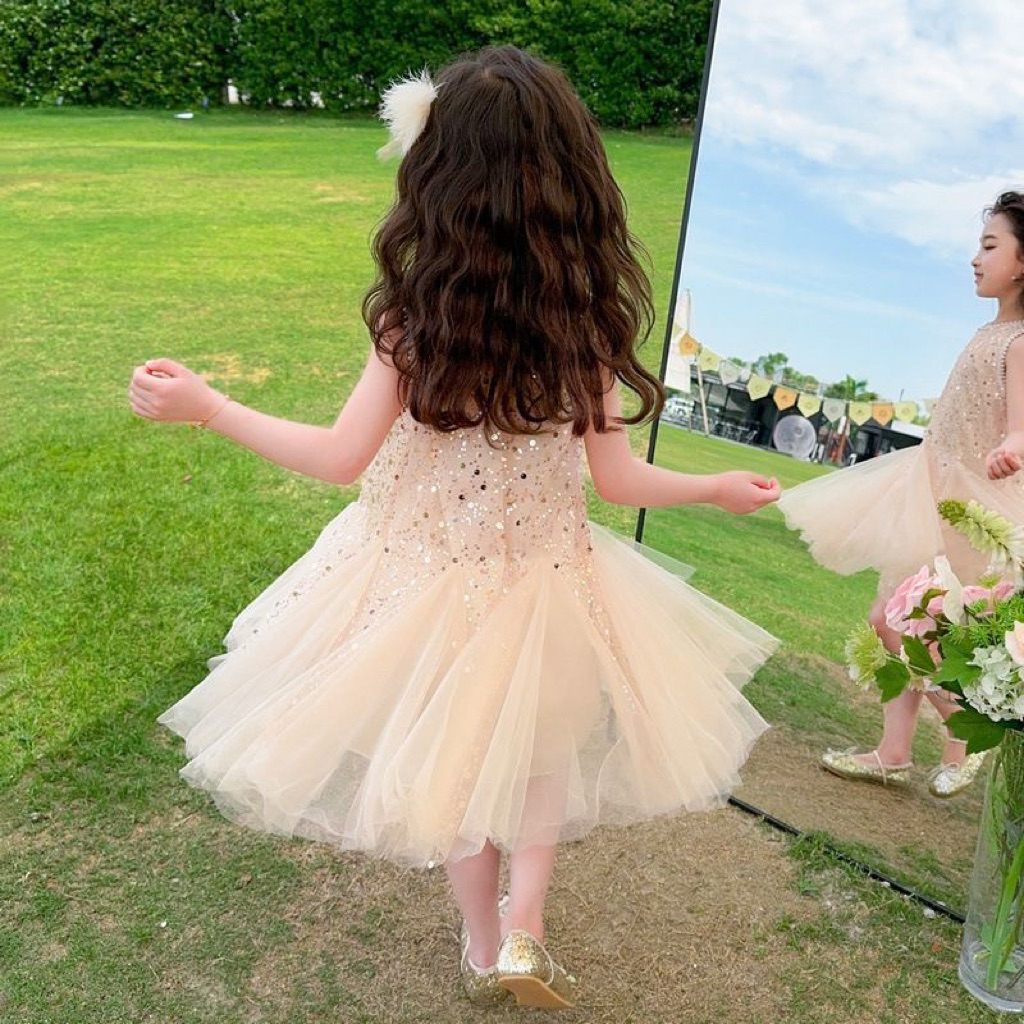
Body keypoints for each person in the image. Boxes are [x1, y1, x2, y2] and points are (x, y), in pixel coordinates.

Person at [128, 46, 780, 1010]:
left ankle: (482, 946)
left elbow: (339, 458)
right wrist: (715, 485)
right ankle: (526, 927)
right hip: (550, 583)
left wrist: (211, 408)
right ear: (573, 177)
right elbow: (617, 480)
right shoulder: (590, 325)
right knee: (541, 752)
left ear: (440, 173)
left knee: (463, 761)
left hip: (424, 583)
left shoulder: (417, 321)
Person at [778, 191, 1024, 798]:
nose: (975, 258)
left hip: (970, 506)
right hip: (929, 491)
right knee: (900, 617)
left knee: (904, 622)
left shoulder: (1019, 341)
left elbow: (1020, 423)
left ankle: (963, 735)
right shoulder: (989, 331)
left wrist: (1013, 444)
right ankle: (896, 751)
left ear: (1023, 262)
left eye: (989, 246)